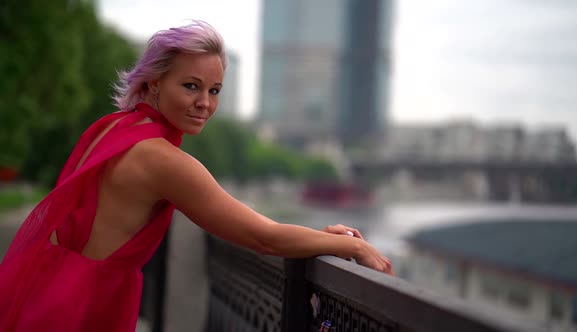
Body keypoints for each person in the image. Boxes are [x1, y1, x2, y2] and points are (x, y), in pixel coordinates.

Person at [0, 20, 393, 332]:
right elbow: (263, 236)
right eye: (191, 86)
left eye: (216, 90)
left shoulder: (114, 127)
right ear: (154, 83)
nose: (205, 103)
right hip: (81, 308)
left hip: (48, 291)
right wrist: (350, 247)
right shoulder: (164, 161)